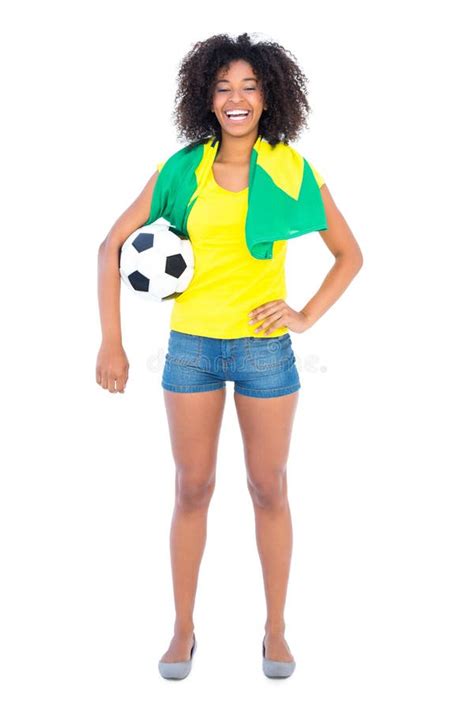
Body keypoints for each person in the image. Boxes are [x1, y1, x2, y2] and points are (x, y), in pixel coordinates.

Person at [96, 32, 363, 679]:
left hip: (266, 352)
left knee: (268, 487)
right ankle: (183, 629)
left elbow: (349, 254)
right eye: (223, 87)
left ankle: (275, 629)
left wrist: (303, 313)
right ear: (205, 98)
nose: (236, 98)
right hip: (190, 349)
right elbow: (110, 246)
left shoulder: (291, 170)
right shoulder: (180, 170)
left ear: (269, 95)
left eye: (248, 86)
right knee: (192, 487)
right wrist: (113, 341)